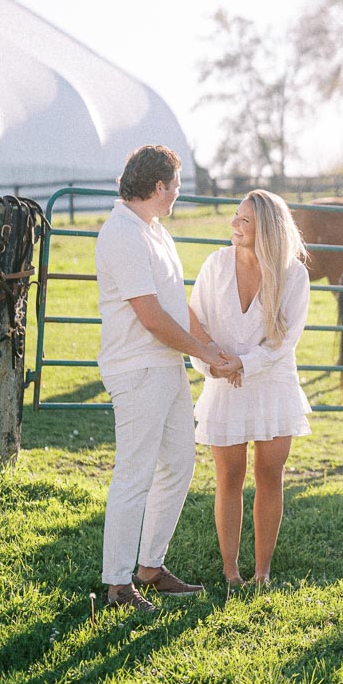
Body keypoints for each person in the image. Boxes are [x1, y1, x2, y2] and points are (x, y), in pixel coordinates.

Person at [95, 144, 237, 612]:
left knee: (178, 462)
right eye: (175, 185)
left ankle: (150, 568)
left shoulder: (154, 231)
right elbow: (151, 317)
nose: (177, 194)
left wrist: (210, 346)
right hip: (136, 369)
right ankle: (117, 584)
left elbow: (177, 308)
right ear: (159, 187)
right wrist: (203, 354)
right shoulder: (122, 234)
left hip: (167, 366)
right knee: (134, 472)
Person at [190, 189, 311, 588]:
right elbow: (197, 324)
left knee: (269, 475)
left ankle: (262, 573)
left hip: (273, 384)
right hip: (225, 384)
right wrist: (215, 364)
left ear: (268, 230)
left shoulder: (294, 274)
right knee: (229, 476)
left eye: (244, 221)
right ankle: (230, 571)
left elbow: (284, 341)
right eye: (236, 217)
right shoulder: (215, 265)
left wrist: (244, 363)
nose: (234, 225)